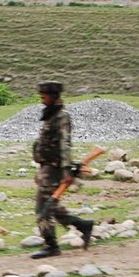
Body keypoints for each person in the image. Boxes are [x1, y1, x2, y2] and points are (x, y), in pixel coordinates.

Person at [31, 81, 94, 259]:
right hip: (47, 168)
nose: (41, 97)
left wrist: (67, 171)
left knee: (43, 208)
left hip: (55, 169)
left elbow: (65, 144)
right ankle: (83, 225)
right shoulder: (50, 114)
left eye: (44, 95)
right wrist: (40, 169)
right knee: (51, 206)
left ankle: (51, 245)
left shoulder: (61, 116)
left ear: (54, 96)